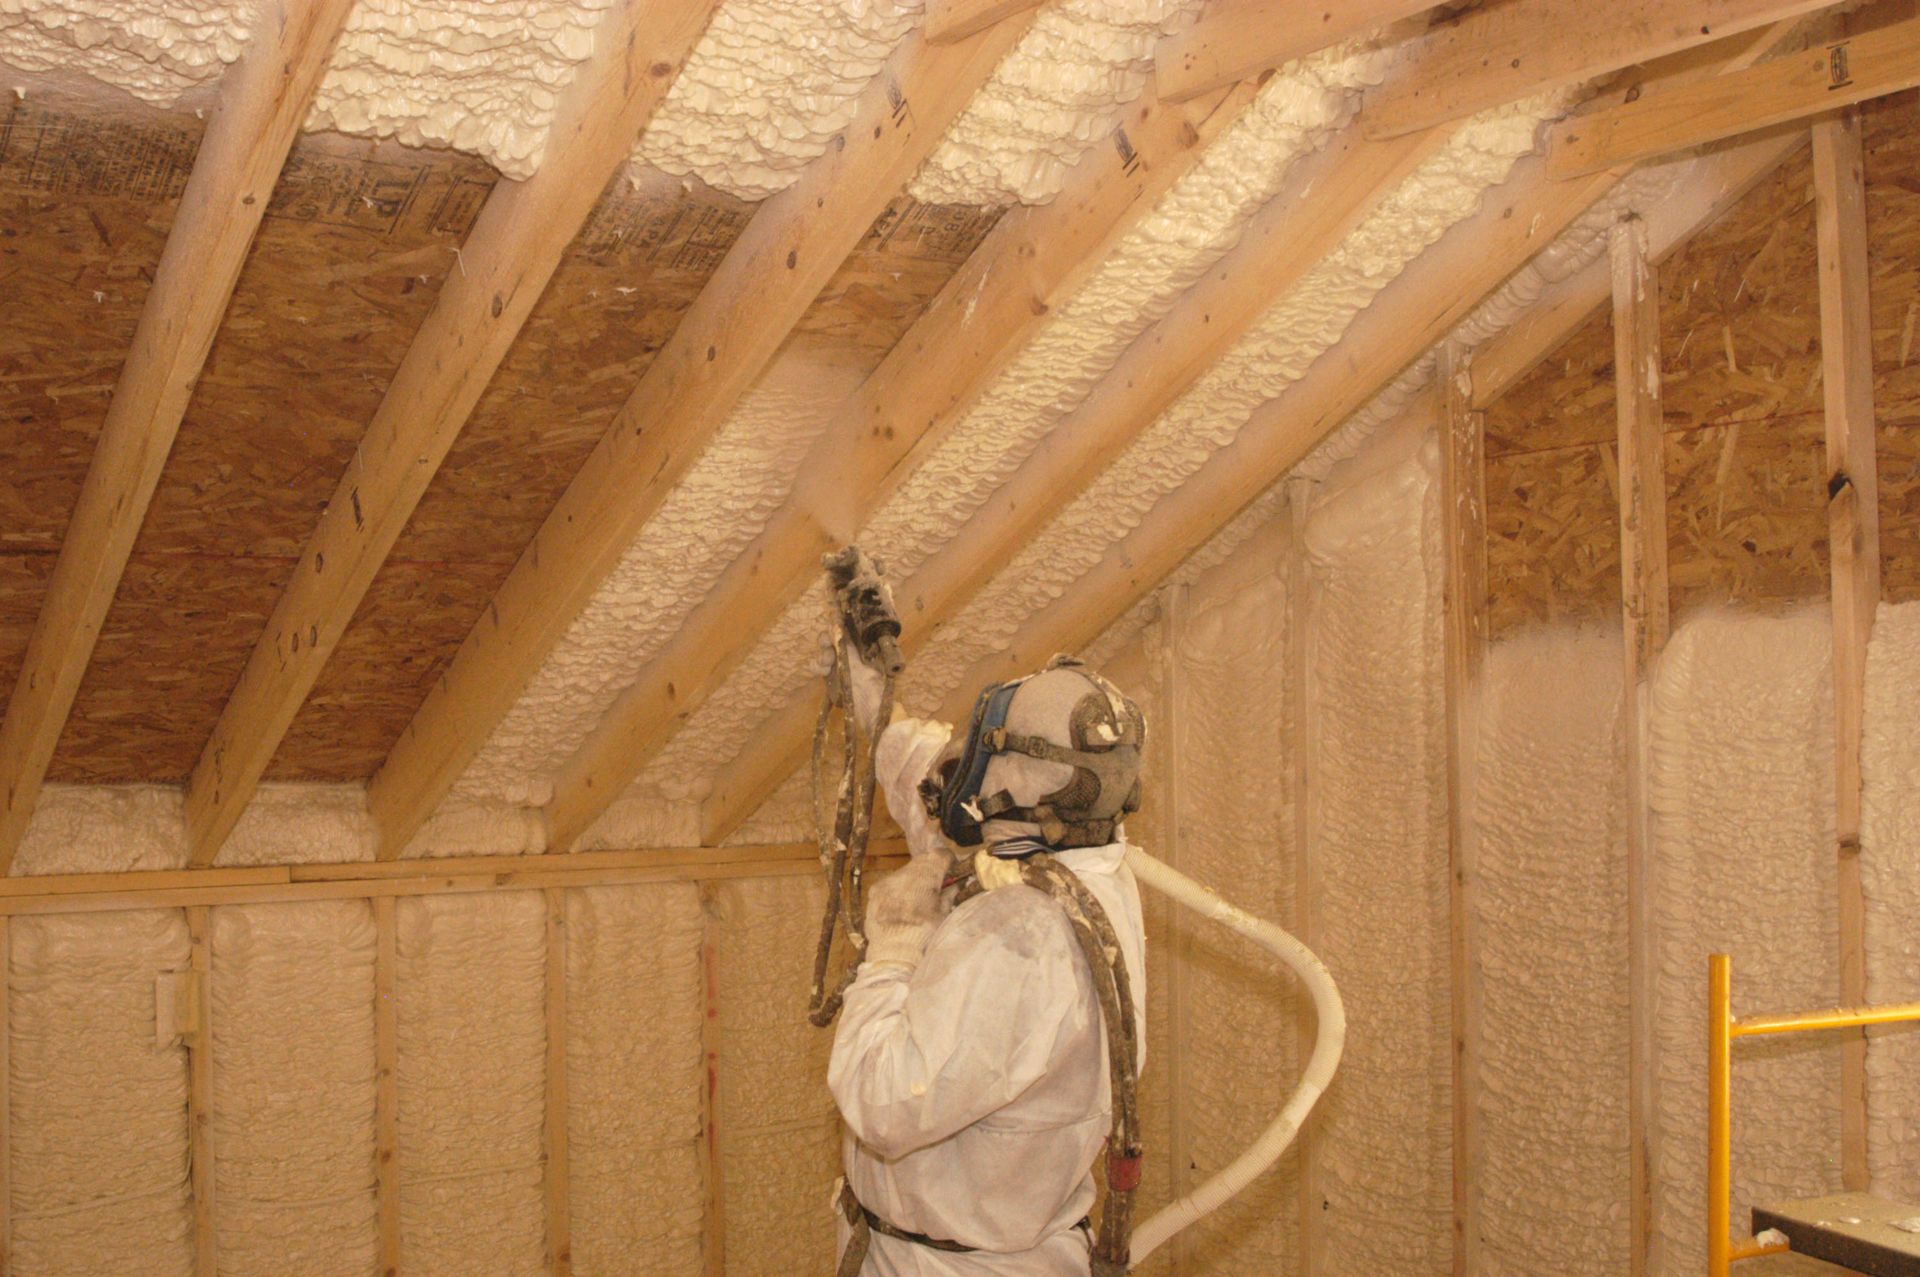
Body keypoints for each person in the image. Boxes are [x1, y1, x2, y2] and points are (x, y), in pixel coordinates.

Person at [826, 653, 1149, 1276]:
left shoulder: (1021, 939)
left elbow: (883, 1102)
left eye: (985, 749)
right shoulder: (1084, 872)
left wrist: (892, 951)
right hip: (1006, 1248)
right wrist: (876, 705)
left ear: (1021, 776)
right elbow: (956, 825)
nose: (967, 763)